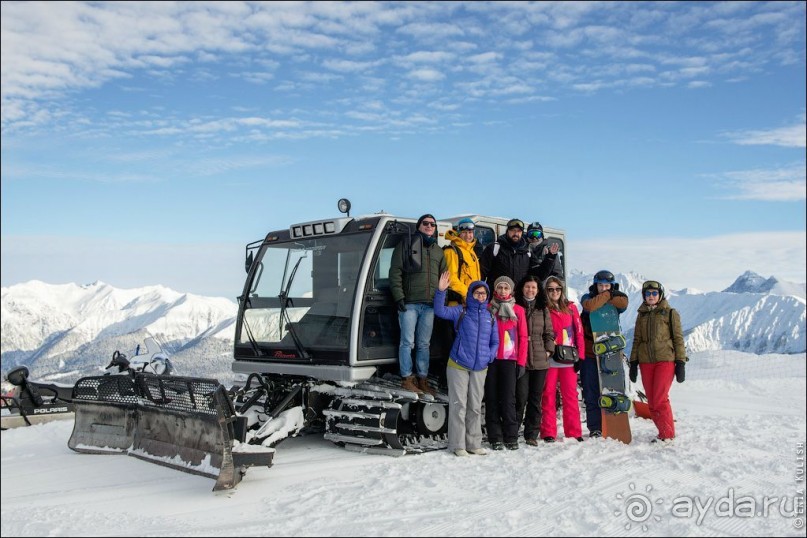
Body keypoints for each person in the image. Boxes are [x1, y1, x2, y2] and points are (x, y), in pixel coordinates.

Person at [433, 272, 498, 457]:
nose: (480, 296)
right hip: (458, 364)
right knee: (458, 405)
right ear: (470, 294)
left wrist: (489, 356)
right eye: (477, 293)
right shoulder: (461, 311)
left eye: (483, 293)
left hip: (480, 367)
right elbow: (440, 311)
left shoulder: (490, 316)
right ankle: (457, 445)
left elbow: (495, 341)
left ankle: (474, 444)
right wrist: (441, 291)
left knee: (475, 406)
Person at [389, 213, 447, 394]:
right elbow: (395, 272)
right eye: (425, 223)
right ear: (419, 226)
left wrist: (441, 302)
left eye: (432, 224)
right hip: (410, 304)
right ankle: (407, 379)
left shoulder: (439, 251)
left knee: (424, 344)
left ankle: (422, 380)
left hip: (430, 305)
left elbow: (445, 279)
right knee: (407, 342)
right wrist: (399, 297)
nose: (429, 226)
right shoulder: (406, 245)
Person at [629, 280, 687, 442]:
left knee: (660, 398)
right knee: (652, 401)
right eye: (648, 293)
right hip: (645, 362)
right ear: (644, 296)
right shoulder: (641, 315)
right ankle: (663, 431)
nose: (651, 296)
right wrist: (633, 362)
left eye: (654, 293)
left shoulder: (670, 313)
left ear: (660, 295)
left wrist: (680, 362)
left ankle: (667, 435)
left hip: (665, 360)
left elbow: (678, 338)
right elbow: (637, 340)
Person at [579, 270, 629, 438]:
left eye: (607, 286)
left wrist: (604, 296)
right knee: (591, 391)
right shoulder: (587, 297)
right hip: (590, 353)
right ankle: (595, 427)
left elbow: (623, 303)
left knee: (613, 389)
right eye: (600, 285)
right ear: (595, 285)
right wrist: (608, 295)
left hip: (611, 353)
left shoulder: (617, 297)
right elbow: (590, 306)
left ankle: (613, 422)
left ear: (612, 285)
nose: (603, 288)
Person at [485, 276, 528, 451]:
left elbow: (523, 337)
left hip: (510, 360)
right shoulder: (488, 308)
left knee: (509, 399)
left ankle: (511, 436)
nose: (503, 291)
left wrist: (521, 362)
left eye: (506, 288)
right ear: (495, 289)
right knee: (492, 398)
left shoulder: (518, 310)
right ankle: (495, 436)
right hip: (491, 359)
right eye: (500, 287)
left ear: (511, 291)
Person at [540, 276, 585, 443]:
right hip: (550, 358)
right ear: (546, 291)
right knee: (548, 395)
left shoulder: (571, 308)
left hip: (568, 358)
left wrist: (580, 356)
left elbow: (579, 332)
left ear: (562, 290)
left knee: (570, 395)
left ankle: (574, 431)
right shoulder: (543, 308)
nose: (555, 292)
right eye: (551, 289)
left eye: (557, 289)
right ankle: (548, 432)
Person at [516, 276, 555, 446]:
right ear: (522, 288)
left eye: (533, 287)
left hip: (540, 358)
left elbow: (549, 332)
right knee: (520, 396)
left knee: (535, 398)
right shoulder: (516, 306)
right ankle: (512, 430)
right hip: (521, 357)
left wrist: (548, 351)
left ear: (538, 290)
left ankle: (531, 434)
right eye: (527, 287)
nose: (530, 290)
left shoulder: (542, 308)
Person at [479, 218, 532, 290]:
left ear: (522, 233)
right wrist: (479, 290)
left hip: (518, 295)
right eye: (513, 230)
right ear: (507, 231)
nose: (516, 234)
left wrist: (548, 258)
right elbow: (481, 272)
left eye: (519, 231)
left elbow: (537, 274)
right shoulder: (495, 248)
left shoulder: (527, 252)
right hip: (496, 295)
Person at [442, 218, 482, 305]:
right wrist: (467, 294)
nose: (468, 235)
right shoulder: (451, 251)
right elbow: (451, 278)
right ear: (459, 233)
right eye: (464, 232)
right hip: (457, 303)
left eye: (470, 232)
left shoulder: (471, 252)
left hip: (472, 300)